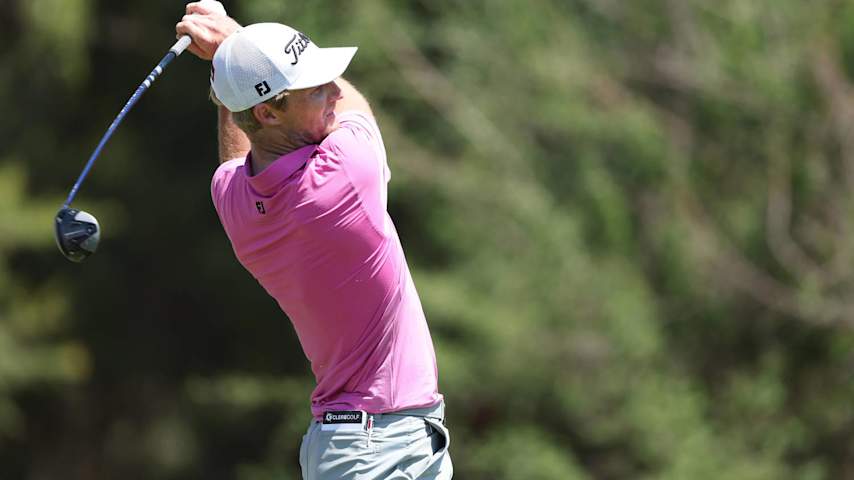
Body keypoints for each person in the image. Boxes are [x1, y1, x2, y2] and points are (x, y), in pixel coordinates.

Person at [176, 2, 452, 479]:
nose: (331, 92)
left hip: (362, 446)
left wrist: (237, 60)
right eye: (315, 87)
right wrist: (234, 42)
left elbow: (238, 148)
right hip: (379, 449)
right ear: (267, 111)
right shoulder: (345, 172)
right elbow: (355, 108)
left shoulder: (233, 201)